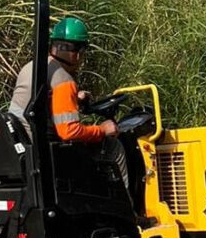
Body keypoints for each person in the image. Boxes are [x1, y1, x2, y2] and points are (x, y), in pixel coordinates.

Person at [9, 16, 127, 185]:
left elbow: (37, 103)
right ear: (78, 53)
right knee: (114, 147)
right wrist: (102, 129)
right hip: (46, 154)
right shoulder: (64, 80)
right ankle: (126, 209)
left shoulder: (31, 67)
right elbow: (68, 132)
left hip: (23, 145)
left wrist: (74, 99)